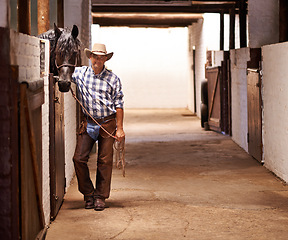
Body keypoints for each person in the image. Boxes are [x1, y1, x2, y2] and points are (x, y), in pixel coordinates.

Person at [71, 43, 125, 211]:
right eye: (95, 56)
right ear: (90, 57)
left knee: (105, 161)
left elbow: (119, 104)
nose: (98, 60)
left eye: (101, 57)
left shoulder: (113, 79)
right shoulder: (80, 73)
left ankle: (100, 196)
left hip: (108, 123)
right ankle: (88, 194)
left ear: (105, 59)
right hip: (88, 122)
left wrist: (120, 128)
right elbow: (63, 72)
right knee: (78, 158)